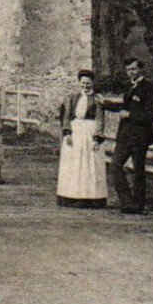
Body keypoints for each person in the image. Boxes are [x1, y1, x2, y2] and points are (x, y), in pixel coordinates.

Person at [103, 57, 153, 214]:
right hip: (125, 136)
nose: (131, 72)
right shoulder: (129, 87)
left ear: (141, 69)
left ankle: (138, 205)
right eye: (128, 70)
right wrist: (105, 103)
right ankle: (127, 202)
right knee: (115, 165)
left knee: (138, 171)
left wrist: (130, 115)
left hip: (140, 137)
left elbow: (152, 114)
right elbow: (124, 106)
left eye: (133, 69)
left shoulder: (149, 89)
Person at [55, 69, 108, 208]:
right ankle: (71, 196)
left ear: (93, 83)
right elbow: (66, 116)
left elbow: (100, 119)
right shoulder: (72, 97)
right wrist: (67, 133)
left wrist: (97, 138)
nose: (86, 86)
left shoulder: (97, 99)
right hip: (75, 132)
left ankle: (90, 197)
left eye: (88, 83)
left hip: (90, 132)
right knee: (73, 164)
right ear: (79, 83)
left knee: (89, 164)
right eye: (83, 83)